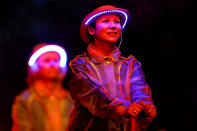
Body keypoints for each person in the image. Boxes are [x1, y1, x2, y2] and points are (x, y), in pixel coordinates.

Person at [67, 5, 157, 131]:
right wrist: (120, 108)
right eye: (106, 21)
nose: (113, 26)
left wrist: (144, 106)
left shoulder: (130, 64)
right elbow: (91, 94)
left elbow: (139, 90)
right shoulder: (80, 65)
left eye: (117, 22)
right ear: (92, 29)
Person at [11, 44, 74, 131]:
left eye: (56, 60)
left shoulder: (70, 99)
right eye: (47, 60)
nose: (52, 64)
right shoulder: (25, 100)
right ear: (36, 66)